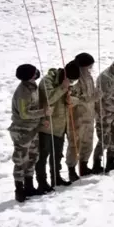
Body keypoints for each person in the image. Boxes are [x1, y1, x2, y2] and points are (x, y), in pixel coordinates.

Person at [9, 64, 53, 202]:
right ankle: (19, 189)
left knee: (33, 158)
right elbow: (24, 113)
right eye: (34, 72)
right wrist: (43, 113)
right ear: (30, 76)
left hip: (33, 130)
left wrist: (41, 121)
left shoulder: (32, 87)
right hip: (22, 132)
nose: (37, 73)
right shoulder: (23, 92)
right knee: (21, 160)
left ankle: (29, 186)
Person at [36, 60, 80, 191]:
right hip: (47, 126)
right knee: (43, 156)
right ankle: (42, 182)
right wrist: (62, 88)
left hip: (61, 126)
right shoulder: (47, 81)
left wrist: (71, 100)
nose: (72, 83)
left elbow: (78, 97)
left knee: (57, 155)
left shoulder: (69, 83)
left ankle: (56, 177)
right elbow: (49, 98)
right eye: (70, 80)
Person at [92, 57, 114, 173]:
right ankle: (97, 163)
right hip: (105, 113)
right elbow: (106, 97)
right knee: (104, 139)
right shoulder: (105, 77)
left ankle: (111, 161)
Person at [66, 52, 99, 181]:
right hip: (77, 117)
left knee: (88, 143)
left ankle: (84, 165)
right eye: (89, 66)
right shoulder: (74, 78)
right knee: (75, 145)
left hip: (89, 116)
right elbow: (72, 99)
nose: (91, 68)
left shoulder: (89, 77)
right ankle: (71, 169)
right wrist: (91, 98)